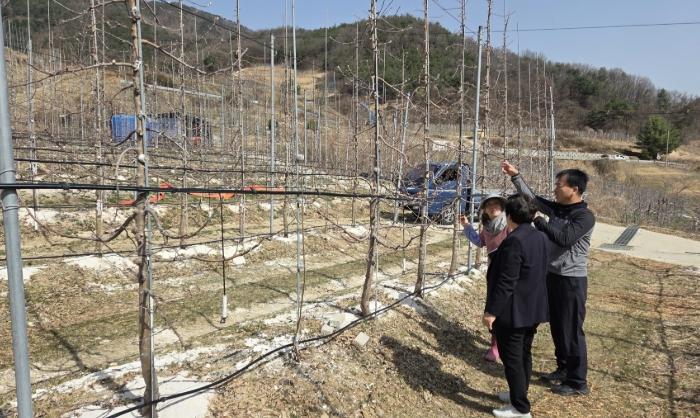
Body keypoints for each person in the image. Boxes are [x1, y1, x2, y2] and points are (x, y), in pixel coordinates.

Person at [501, 161, 595, 397]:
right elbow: (533, 199)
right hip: (552, 276)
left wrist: (539, 221)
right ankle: (563, 368)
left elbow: (564, 239)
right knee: (557, 327)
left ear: (574, 189)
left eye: (559, 185)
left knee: (571, 330)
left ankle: (577, 382)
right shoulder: (559, 209)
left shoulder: (584, 216)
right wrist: (516, 176)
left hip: (571, 280)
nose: (555, 189)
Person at [483, 193, 550, 418]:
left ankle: (520, 408)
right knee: (523, 354)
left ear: (509, 215)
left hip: (514, 310)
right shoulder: (540, 236)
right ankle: (517, 394)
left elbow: (506, 281)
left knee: (512, 358)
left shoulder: (515, 240)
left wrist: (491, 311)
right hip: (533, 307)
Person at [459, 193, 511, 362]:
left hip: (511, 273)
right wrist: (466, 226)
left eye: (496, 203)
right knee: (493, 307)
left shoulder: (509, 225)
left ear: (502, 207)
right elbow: (480, 242)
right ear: (485, 210)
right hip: (494, 274)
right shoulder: (487, 227)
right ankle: (495, 345)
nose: (493, 207)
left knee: (509, 307)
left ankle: (510, 342)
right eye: (489, 205)